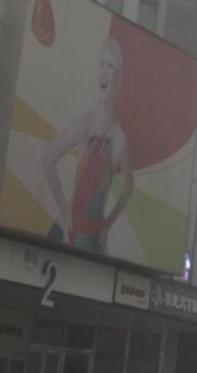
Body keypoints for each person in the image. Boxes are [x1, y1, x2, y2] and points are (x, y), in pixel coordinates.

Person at [41, 36, 133, 252]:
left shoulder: (119, 138)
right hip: (73, 233)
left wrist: (107, 224)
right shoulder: (85, 123)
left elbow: (129, 188)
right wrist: (65, 212)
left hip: (95, 239)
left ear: (119, 79)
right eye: (101, 63)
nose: (103, 70)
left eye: (110, 66)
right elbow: (47, 158)